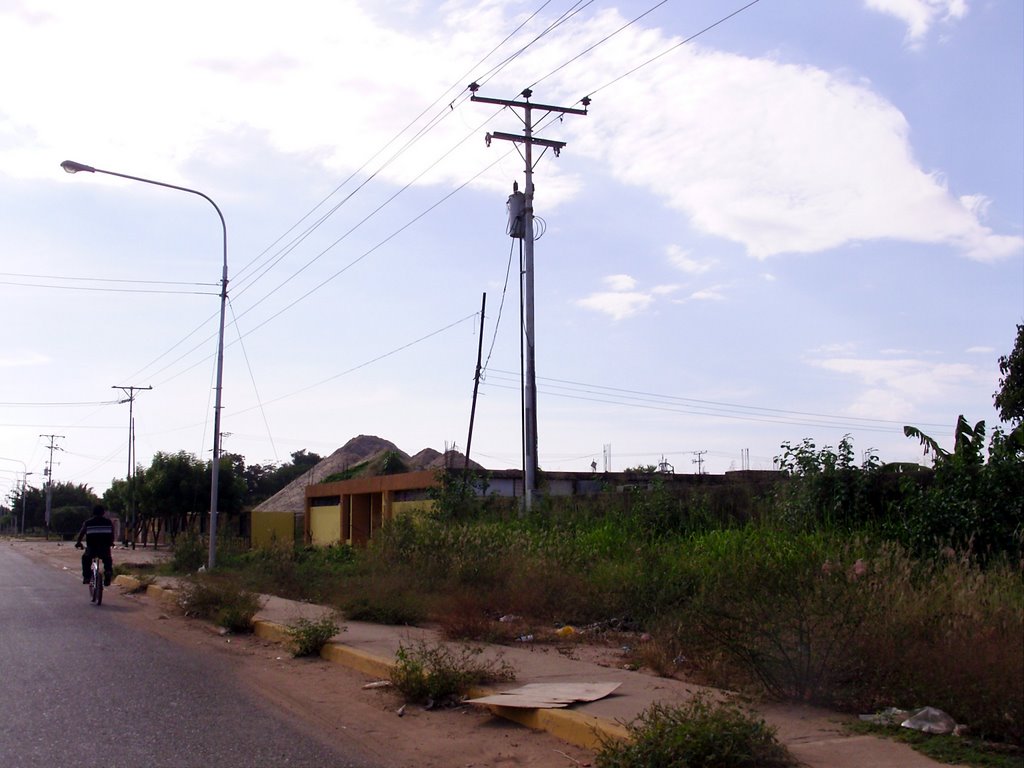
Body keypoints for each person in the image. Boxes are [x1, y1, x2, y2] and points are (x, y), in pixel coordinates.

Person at [75, 504, 114, 587]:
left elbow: (81, 534)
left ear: (93, 513)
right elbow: (112, 534)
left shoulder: (88, 523)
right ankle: (108, 573)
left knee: (85, 559)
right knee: (108, 560)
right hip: (104, 548)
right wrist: (111, 542)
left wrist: (78, 542)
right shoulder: (108, 522)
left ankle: (87, 577)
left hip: (92, 548)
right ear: (103, 513)